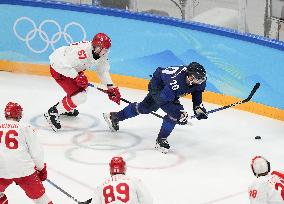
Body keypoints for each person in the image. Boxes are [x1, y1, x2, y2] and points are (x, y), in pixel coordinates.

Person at [103, 62, 208, 153]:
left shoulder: (199, 80)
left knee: (144, 108)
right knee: (174, 113)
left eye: (201, 79)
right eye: (197, 79)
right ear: (190, 77)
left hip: (167, 87)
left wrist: (198, 107)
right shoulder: (176, 82)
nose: (200, 82)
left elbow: (197, 91)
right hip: (158, 86)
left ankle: (115, 116)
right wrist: (178, 115)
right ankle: (161, 140)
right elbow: (164, 101)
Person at [44, 33, 121, 131]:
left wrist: (111, 87)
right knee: (80, 96)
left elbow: (102, 70)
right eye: (104, 49)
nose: (105, 52)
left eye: (107, 50)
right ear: (97, 47)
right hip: (59, 69)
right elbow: (59, 64)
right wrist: (76, 76)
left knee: (82, 90)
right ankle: (53, 112)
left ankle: (65, 107)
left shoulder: (100, 52)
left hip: (73, 69)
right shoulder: (81, 52)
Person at [0, 102, 52, 204]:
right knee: (40, 198)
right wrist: (41, 169)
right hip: (24, 170)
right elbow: (36, 152)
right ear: (19, 114)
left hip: (2, 170)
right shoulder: (24, 127)